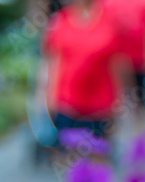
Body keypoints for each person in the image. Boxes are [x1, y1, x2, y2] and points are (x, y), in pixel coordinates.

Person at [43, 0, 131, 138]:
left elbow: (118, 65)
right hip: (67, 105)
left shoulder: (111, 21)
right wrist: (48, 100)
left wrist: (122, 101)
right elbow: (54, 65)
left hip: (101, 107)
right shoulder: (61, 21)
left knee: (98, 153)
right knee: (67, 153)